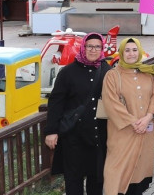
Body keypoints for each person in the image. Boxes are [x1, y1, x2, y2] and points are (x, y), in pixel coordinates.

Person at [45, 33, 112, 195]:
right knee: (73, 180)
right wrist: (51, 131)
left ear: (102, 49)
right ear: (83, 47)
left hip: (98, 136)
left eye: (97, 46)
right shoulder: (68, 72)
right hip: (74, 137)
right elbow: (56, 102)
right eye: (89, 46)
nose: (93, 50)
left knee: (96, 180)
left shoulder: (107, 71)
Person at [102, 38, 154, 195]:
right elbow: (111, 103)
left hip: (145, 131)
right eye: (127, 50)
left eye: (135, 50)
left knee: (139, 174)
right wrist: (133, 122)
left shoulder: (148, 74)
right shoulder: (113, 76)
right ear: (121, 53)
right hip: (123, 133)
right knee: (116, 172)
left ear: (140, 52)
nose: (131, 54)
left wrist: (149, 117)